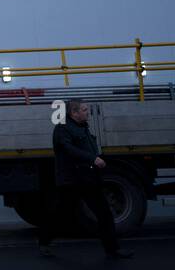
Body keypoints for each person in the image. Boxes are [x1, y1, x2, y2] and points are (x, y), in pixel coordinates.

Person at [42, 101, 132, 258]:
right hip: (71, 180)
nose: (87, 112)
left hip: (88, 179)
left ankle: (113, 249)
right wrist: (92, 159)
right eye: (84, 110)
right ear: (73, 113)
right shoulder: (62, 129)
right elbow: (68, 149)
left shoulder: (82, 127)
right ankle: (44, 241)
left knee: (104, 213)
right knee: (61, 213)